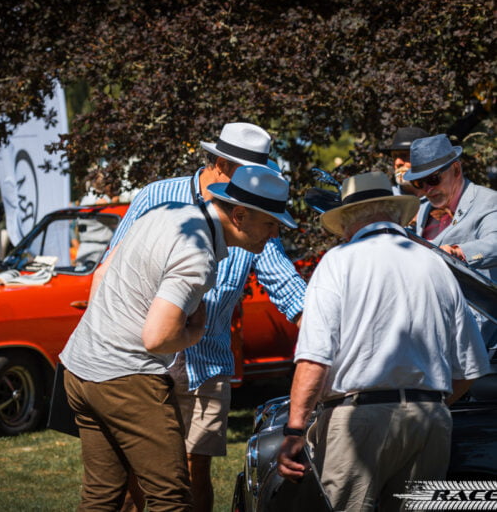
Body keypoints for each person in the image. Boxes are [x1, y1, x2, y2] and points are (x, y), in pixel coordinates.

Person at [94, 122, 306, 512]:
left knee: (193, 474)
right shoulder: (157, 196)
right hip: (142, 361)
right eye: (255, 171)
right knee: (132, 477)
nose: (263, 179)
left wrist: (328, 331)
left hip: (205, 364)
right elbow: (109, 268)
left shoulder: (256, 211)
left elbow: (285, 284)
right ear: (224, 163)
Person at [277, 171, 489, 511]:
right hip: (429, 418)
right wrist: (427, 404)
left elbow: (315, 358)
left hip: (358, 419)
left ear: (347, 220)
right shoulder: (436, 265)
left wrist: (295, 430)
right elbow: (468, 367)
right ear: (394, 213)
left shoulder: (338, 262)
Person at [404, 133, 497, 343]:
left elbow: (494, 243)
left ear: (456, 170)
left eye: (433, 179)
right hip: (433, 333)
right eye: (419, 183)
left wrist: (458, 252)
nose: (428, 189)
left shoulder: (489, 202)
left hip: (481, 338)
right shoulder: (422, 210)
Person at [383, 126, 429, 196]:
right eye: (394, 156)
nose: (398, 163)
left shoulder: (442, 197)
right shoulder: (387, 198)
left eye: (404, 155)